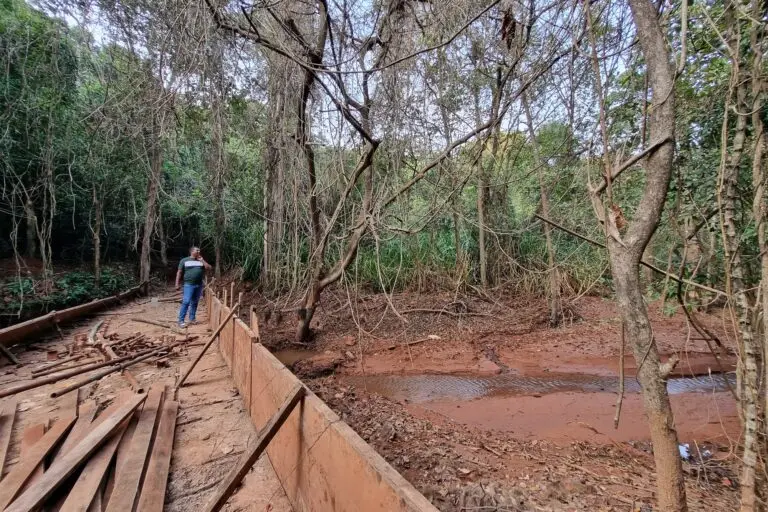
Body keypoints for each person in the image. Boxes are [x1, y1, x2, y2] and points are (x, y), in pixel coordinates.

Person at [176, 246, 211, 328]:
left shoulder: (201, 260)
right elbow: (179, 272)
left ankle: (192, 319)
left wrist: (202, 260)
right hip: (188, 284)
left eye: (199, 250)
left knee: (195, 302)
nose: (199, 251)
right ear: (192, 251)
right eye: (197, 250)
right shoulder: (184, 260)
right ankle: (181, 320)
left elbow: (209, 268)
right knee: (186, 301)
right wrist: (176, 284)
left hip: (199, 285)